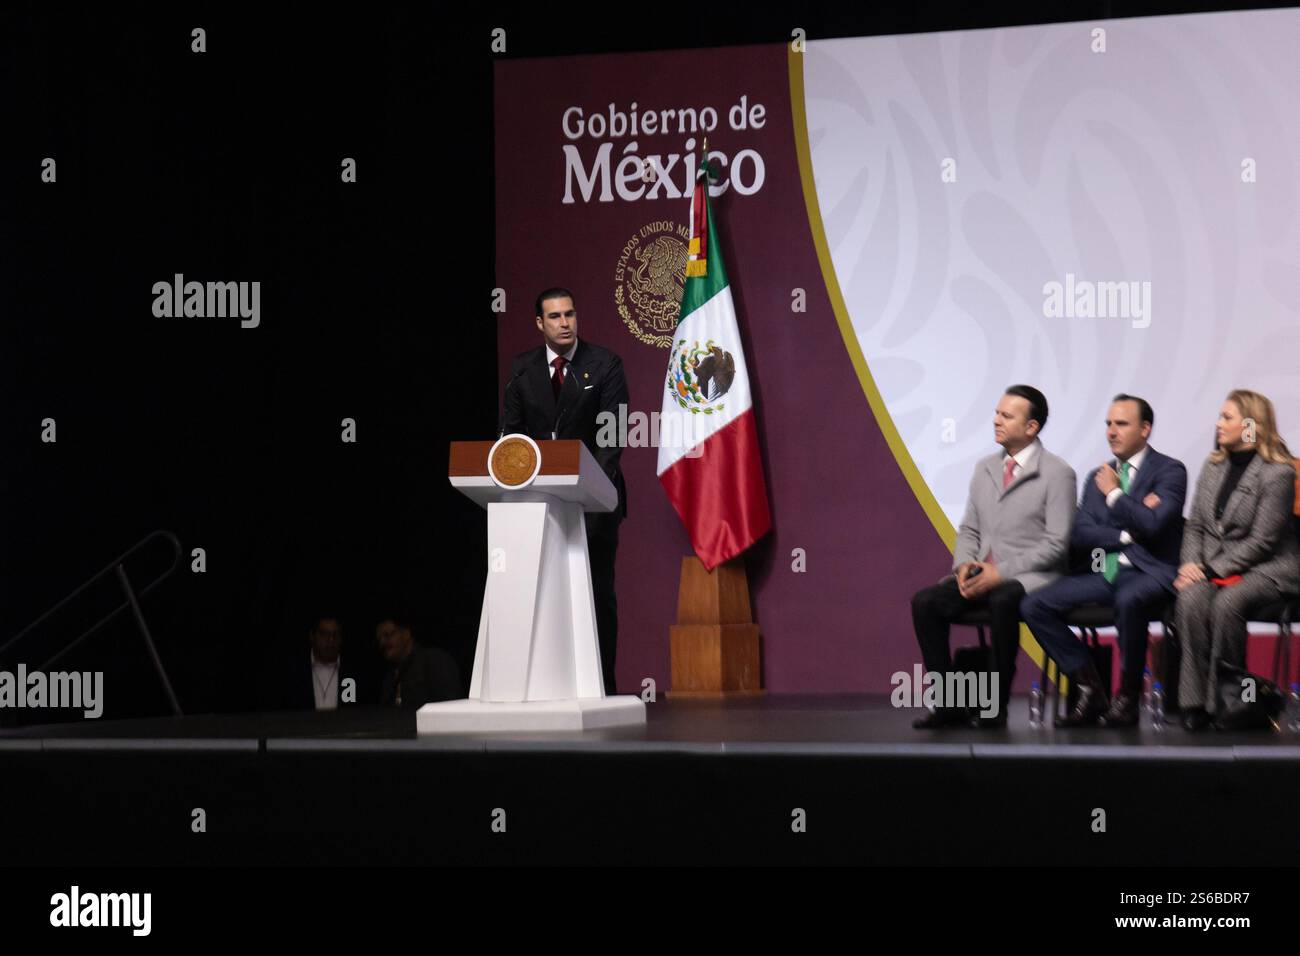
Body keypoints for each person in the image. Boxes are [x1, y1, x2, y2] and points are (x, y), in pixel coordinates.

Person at [911, 385, 1077, 728]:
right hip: (982, 573)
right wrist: (964, 566)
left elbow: (1056, 544)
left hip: (1032, 576)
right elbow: (969, 530)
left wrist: (1000, 573)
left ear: (1031, 427)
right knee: (925, 602)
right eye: (997, 413)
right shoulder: (984, 468)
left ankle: (993, 705)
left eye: (1006, 415)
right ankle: (951, 703)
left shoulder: (1058, 473)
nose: (996, 421)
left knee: (1003, 600)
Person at [1020, 395, 1186, 727]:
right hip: (1103, 569)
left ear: (1145, 429)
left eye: (1121, 424)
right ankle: (1089, 687)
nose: (1111, 431)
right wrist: (1127, 531)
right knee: (1034, 605)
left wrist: (1114, 496)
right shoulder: (1098, 474)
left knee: (1129, 599)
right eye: (1108, 424)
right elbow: (1081, 534)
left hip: (1150, 571)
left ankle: (1127, 697)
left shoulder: (1170, 471)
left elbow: (1155, 525)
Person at [499, 287, 628, 696]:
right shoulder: (522, 370)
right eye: (554, 317)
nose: (565, 323)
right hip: (536, 507)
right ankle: (547, 690)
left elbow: (614, 434)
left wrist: (587, 489)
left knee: (595, 598)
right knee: (544, 599)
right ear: (540, 323)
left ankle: (601, 689)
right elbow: (511, 438)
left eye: (570, 314)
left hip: (594, 506)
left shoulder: (605, 364)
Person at [1175, 390, 1299, 731]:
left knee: (1228, 604)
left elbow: (1263, 541)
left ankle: (1229, 703)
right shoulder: (1213, 465)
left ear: (1250, 426)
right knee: (1190, 600)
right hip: (1213, 566)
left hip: (1269, 568)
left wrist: (1209, 569)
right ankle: (1194, 703)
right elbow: (1196, 525)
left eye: (1226, 417)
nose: (1218, 424)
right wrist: (1190, 565)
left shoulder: (1278, 473)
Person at [271, 615, 368, 711]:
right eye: (324, 634)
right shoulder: (294, 673)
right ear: (312, 636)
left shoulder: (352, 673)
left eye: (336, 635)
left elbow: (354, 710)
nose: (331, 641)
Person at [376, 617, 462, 709]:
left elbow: (452, 706)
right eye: (379, 639)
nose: (382, 642)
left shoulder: (434, 660)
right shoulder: (389, 676)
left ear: (406, 634)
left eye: (387, 635)